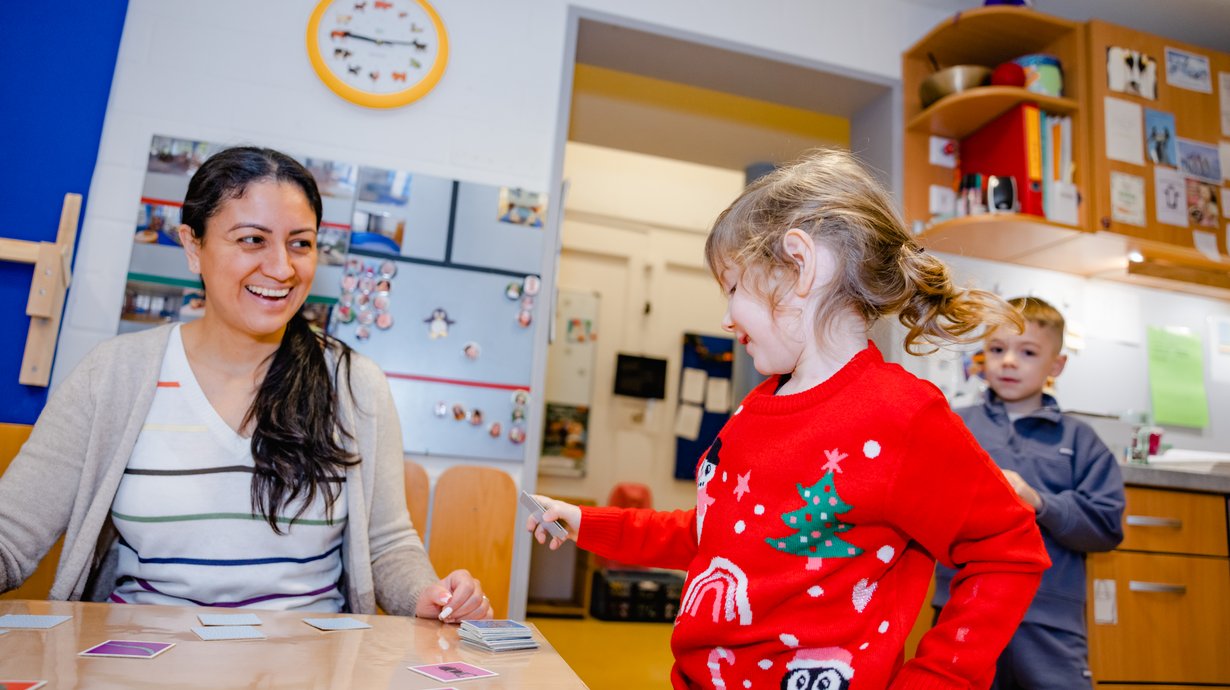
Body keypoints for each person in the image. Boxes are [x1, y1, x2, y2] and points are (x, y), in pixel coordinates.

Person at [528, 148, 1049, 689]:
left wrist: (940, 677)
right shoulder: (754, 408)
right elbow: (714, 536)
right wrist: (584, 521)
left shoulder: (902, 415)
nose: (726, 318)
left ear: (800, 266)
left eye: (733, 289)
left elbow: (1008, 552)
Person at [0, 146, 490, 621]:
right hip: (139, 663)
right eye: (252, 239)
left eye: (300, 243)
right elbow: (12, 535)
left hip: (312, 668)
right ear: (194, 247)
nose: (281, 268)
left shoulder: (353, 383)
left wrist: (427, 594)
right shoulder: (112, 375)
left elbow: (387, 543)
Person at [933, 297, 1124, 690]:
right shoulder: (955, 425)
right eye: (998, 349)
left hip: (1049, 617)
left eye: (1028, 352)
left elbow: (1106, 527)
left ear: (1056, 366)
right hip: (963, 609)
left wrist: (1040, 502)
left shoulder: (1079, 439)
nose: (1008, 362)